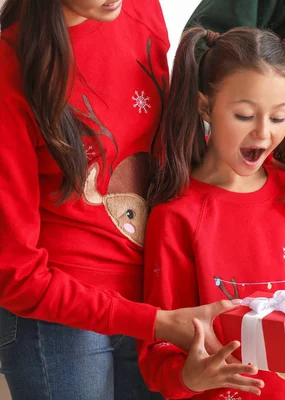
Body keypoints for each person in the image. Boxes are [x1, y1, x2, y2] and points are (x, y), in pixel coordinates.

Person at [0, 1, 241, 399]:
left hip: (154, 296)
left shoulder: (140, 10)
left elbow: (169, 151)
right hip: (59, 320)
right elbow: (15, 276)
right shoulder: (11, 67)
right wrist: (156, 322)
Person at [137, 26, 285, 399]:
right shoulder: (177, 216)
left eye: (279, 118)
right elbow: (158, 347)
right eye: (244, 115)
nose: (263, 132)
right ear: (204, 106)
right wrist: (188, 377)